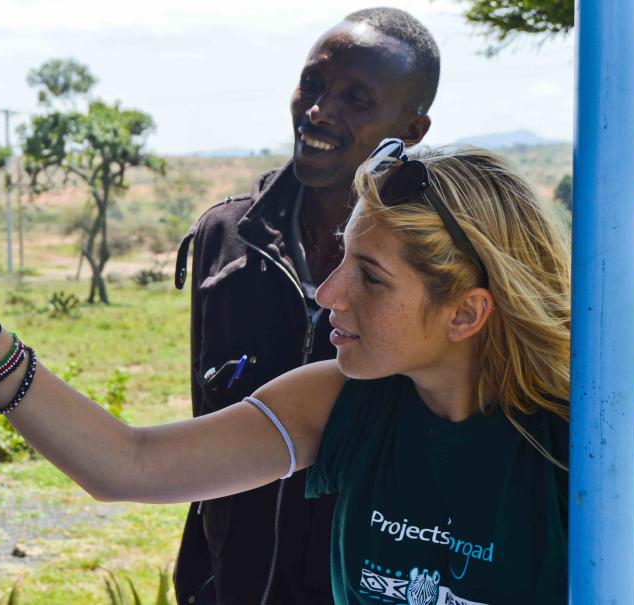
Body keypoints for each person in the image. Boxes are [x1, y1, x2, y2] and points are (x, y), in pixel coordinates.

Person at [0, 142, 634, 604]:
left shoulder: (616, 457)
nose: (327, 293)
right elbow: (127, 465)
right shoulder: (344, 403)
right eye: (341, 258)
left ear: (466, 312)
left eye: (371, 278)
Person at [172, 7, 439, 603]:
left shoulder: (443, 257)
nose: (318, 111)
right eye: (313, 85)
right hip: (232, 584)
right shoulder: (228, 237)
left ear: (413, 129)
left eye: (356, 98)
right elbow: (205, 426)